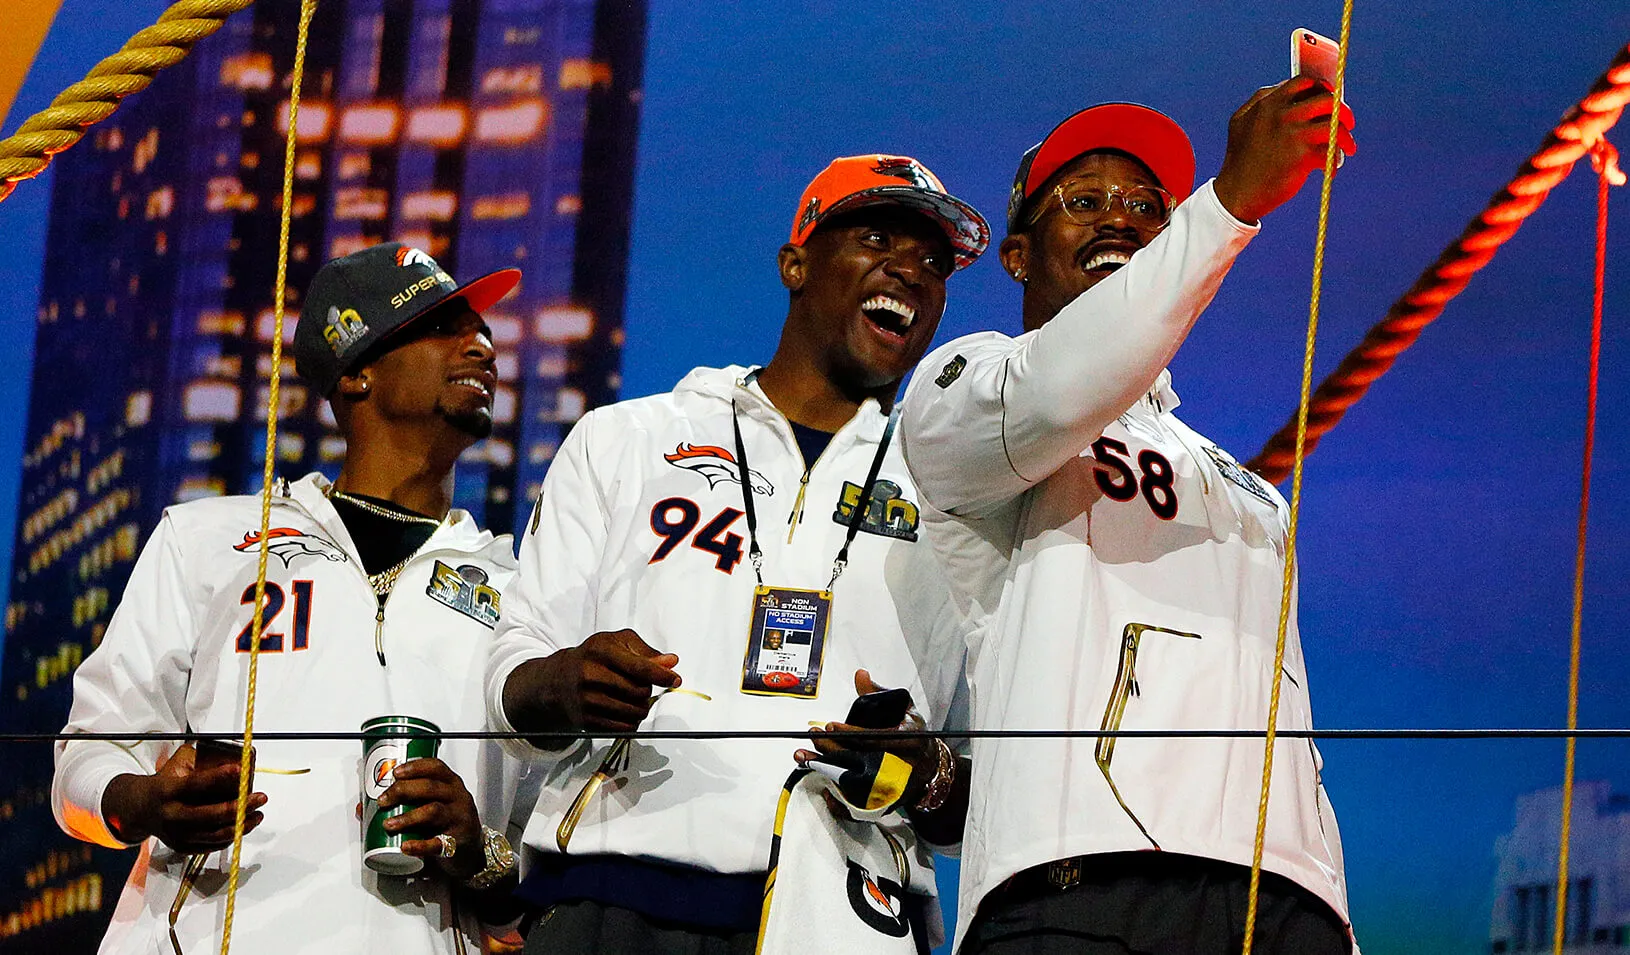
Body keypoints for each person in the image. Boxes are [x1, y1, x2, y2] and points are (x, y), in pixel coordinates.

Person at [898, 81, 1360, 954]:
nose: (1120, 219)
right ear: (1019, 254)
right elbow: (1062, 387)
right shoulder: (967, 386)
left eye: (1148, 206)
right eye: (1085, 201)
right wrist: (1224, 206)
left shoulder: (1250, 488)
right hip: (1080, 884)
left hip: (1287, 905)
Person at [486, 155, 988, 954]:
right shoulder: (628, 440)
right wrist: (567, 680)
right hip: (613, 895)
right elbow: (512, 673)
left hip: (850, 916)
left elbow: (977, 788)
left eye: (935, 262)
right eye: (876, 236)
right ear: (796, 263)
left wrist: (917, 770)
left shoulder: (960, 499)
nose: (911, 270)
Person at [53, 243, 529, 954]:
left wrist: (477, 851)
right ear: (358, 372)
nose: (483, 344)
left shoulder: (517, 585)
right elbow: (85, 754)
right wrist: (143, 801)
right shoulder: (208, 537)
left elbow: (534, 855)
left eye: (480, 328)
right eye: (440, 327)